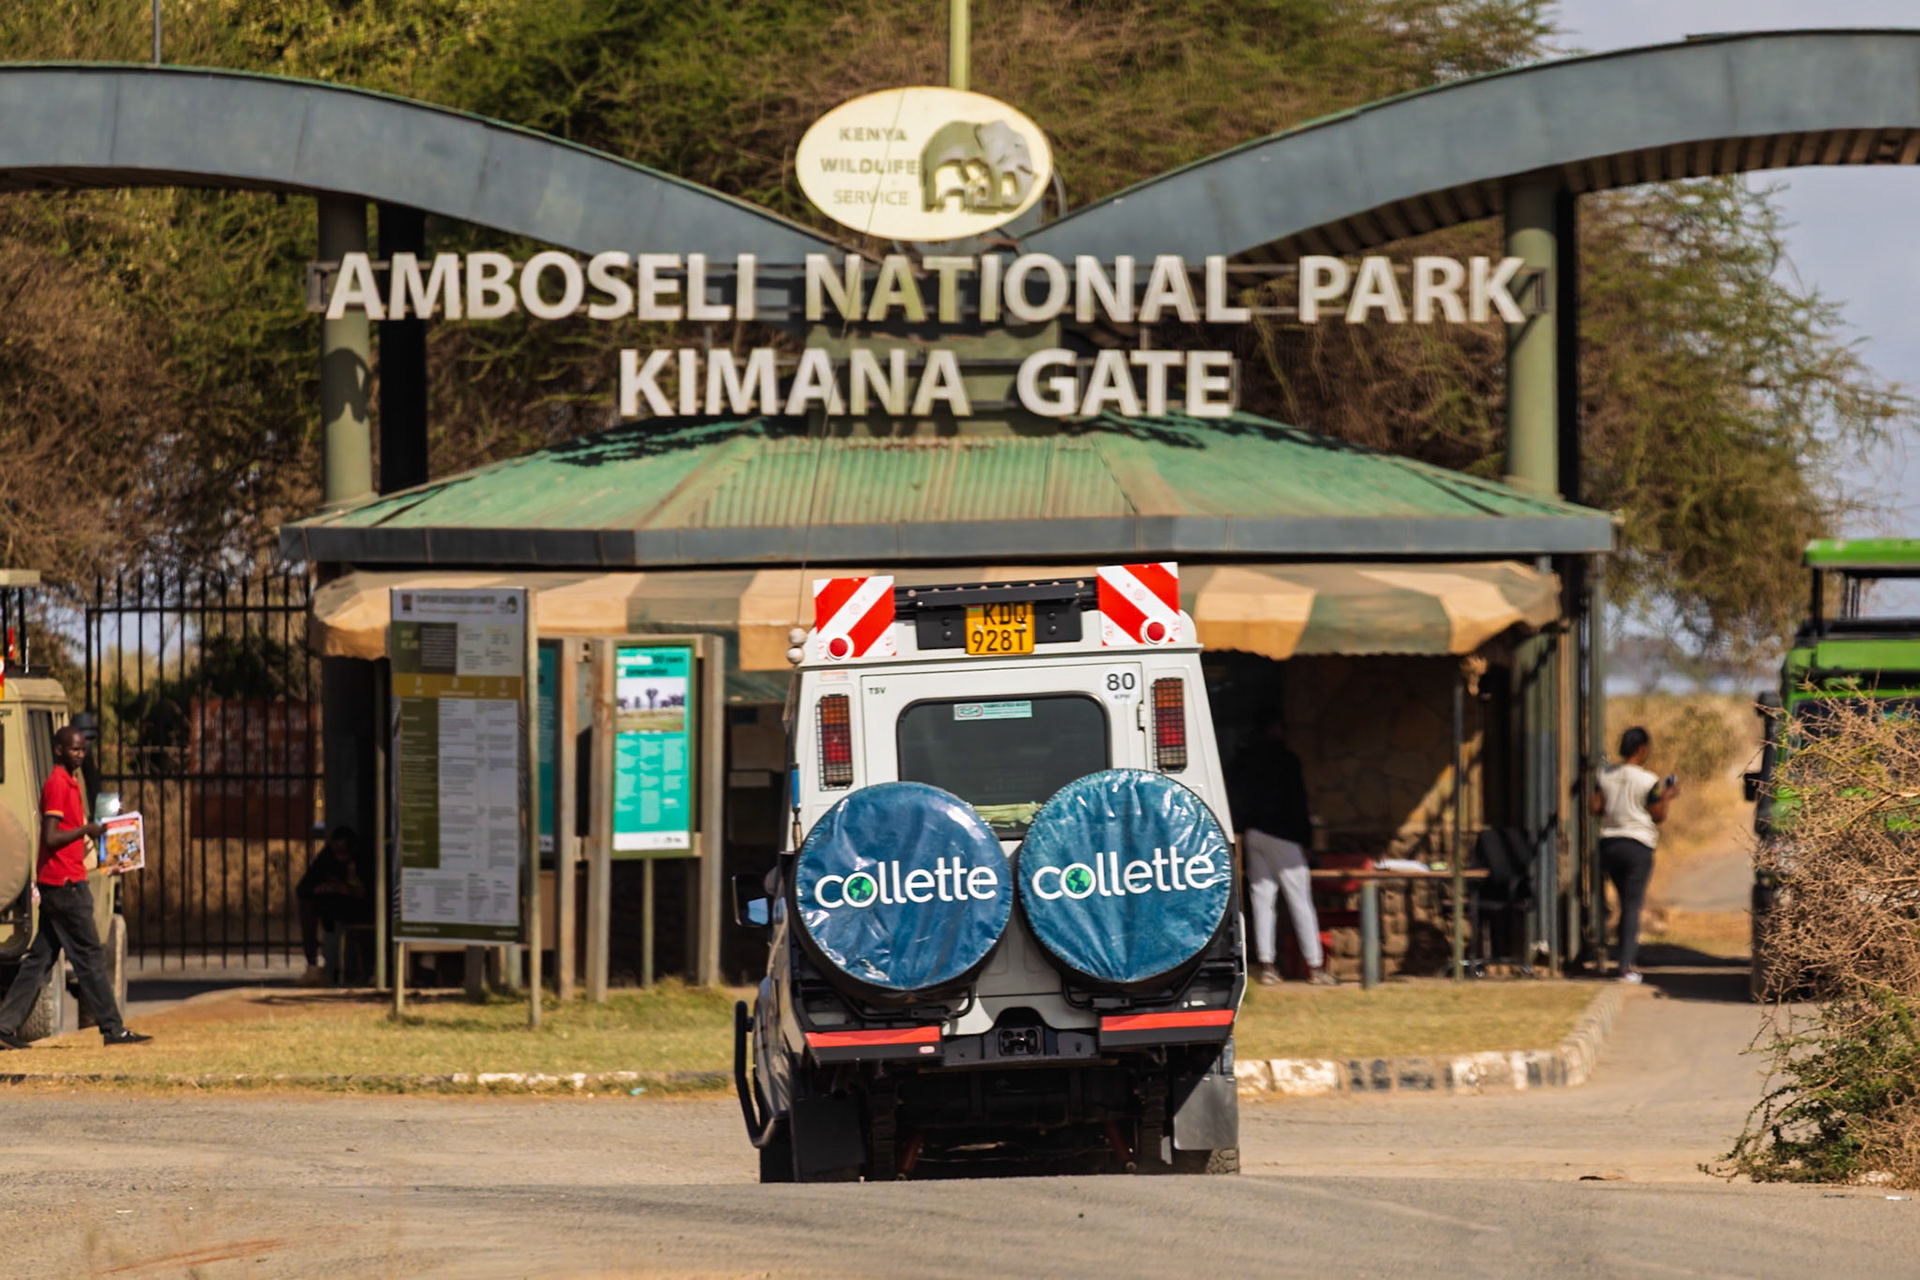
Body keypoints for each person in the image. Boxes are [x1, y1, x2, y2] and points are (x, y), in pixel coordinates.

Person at [0, 725, 150, 1048]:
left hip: (63, 881)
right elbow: (52, 836)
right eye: (74, 749)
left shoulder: (71, 782)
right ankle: (113, 1029)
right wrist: (87, 829)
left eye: (83, 749)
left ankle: (4, 1026)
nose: (80, 755)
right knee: (90, 957)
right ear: (58, 750)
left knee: (40, 961)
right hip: (65, 884)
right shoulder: (57, 784)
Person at [1227, 714, 1336, 987]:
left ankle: (1267, 965)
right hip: (1282, 835)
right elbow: (1297, 800)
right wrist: (1306, 838)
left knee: (1263, 899)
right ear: (1275, 729)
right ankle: (1315, 965)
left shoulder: (1244, 759)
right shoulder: (1286, 761)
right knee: (1300, 899)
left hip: (1253, 833)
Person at [1592, 726, 1678, 984]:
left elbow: (1596, 807)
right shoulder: (1647, 780)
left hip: (1609, 843)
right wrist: (1668, 797)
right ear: (1642, 749)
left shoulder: (1604, 774)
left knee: (1621, 900)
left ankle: (1621, 954)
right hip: (1637, 845)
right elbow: (1658, 815)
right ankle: (1625, 966)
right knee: (1632, 904)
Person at [296, 826, 374, 986]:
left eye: (344, 851)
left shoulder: (365, 856)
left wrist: (349, 889)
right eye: (336, 851)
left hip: (366, 907)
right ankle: (312, 965)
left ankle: (375, 969)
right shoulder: (327, 857)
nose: (339, 856)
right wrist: (321, 888)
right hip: (338, 903)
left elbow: (374, 890)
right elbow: (304, 887)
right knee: (307, 904)